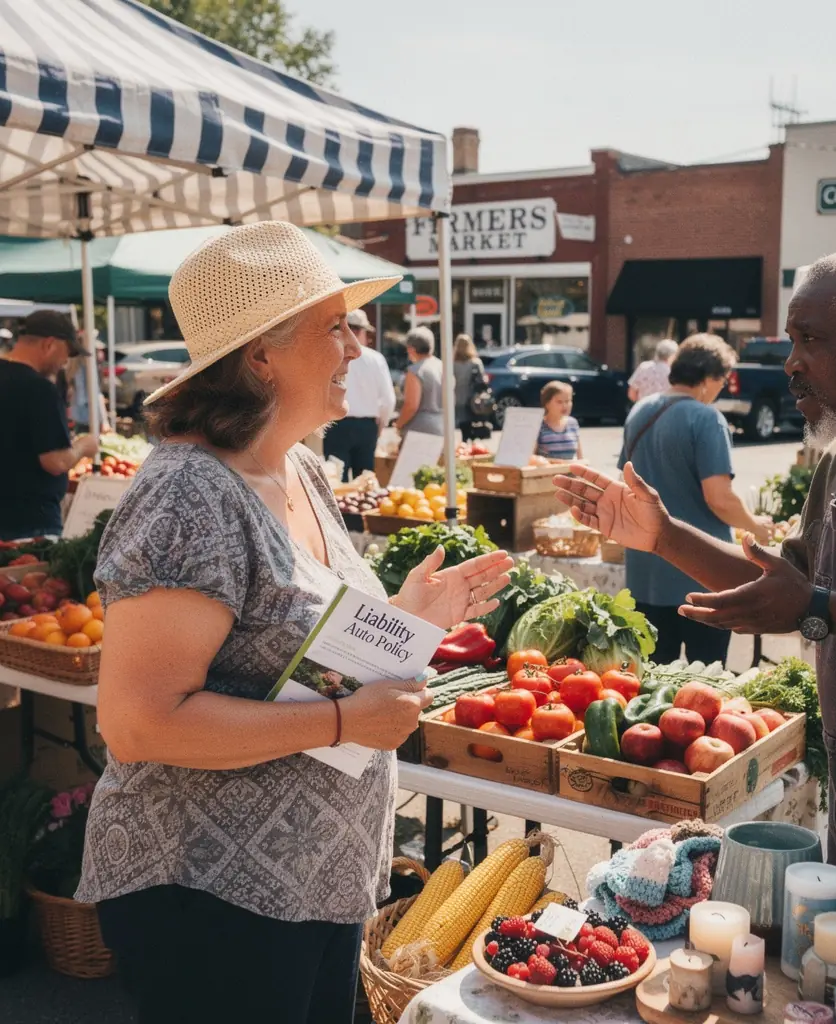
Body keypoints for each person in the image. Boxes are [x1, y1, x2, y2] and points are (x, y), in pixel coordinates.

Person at [76, 222, 513, 1024]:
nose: (360, 342)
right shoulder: (187, 494)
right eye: (336, 325)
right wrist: (345, 719)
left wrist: (409, 615)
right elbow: (136, 724)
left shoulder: (301, 467)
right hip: (210, 894)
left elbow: (299, 649)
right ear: (260, 356)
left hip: (313, 879)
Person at [553, 243, 836, 866]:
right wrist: (663, 535)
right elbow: (786, 586)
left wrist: (823, 609)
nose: (791, 365)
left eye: (811, 340)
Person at [619, 335, 772, 664]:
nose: (721, 388)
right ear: (709, 379)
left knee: (654, 685)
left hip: (646, 571)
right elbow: (720, 499)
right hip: (703, 572)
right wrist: (755, 526)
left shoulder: (639, 411)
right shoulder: (707, 418)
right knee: (706, 681)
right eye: (723, 380)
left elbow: (627, 481)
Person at [0, 311, 99, 540]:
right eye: (67, 352)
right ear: (49, 344)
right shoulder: (40, 390)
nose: (65, 362)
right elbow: (55, 462)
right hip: (30, 525)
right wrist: (84, 446)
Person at [322, 308, 395, 480]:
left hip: (337, 425)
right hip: (366, 426)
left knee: (336, 479)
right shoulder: (376, 359)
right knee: (364, 482)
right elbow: (388, 400)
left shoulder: (332, 356)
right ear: (359, 331)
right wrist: (380, 425)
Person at [394, 326, 443, 436]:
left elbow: (411, 405)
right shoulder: (442, 367)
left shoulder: (415, 371)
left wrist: (399, 424)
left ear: (411, 348)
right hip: (442, 425)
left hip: (419, 429)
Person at [536, 381, 583, 460]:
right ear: (547, 403)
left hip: (571, 471)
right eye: (559, 402)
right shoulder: (538, 425)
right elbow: (531, 458)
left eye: (568, 401)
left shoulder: (573, 423)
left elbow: (580, 458)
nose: (565, 406)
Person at [452, 333, 486, 438]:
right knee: (473, 423)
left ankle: (465, 441)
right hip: (473, 399)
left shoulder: (452, 364)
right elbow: (482, 381)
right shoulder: (475, 363)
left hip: (457, 398)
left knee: (463, 425)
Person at [628, 337, 678, 404]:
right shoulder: (674, 371)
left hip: (644, 410)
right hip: (666, 411)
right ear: (673, 356)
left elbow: (631, 394)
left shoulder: (644, 367)